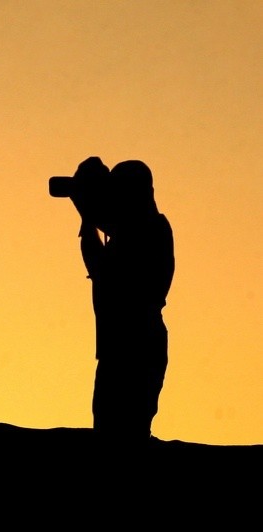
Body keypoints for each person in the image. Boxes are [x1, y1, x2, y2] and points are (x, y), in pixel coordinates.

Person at [70, 157, 174, 446]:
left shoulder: (149, 229)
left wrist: (88, 215)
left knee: (122, 436)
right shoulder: (142, 230)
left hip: (133, 345)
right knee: (114, 431)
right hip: (124, 344)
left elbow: (102, 270)